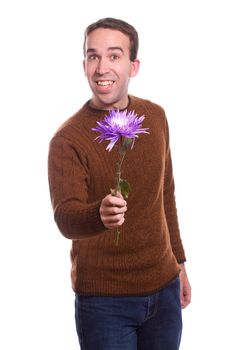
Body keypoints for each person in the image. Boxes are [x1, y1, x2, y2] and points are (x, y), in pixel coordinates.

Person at [48, 17, 191, 350]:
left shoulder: (154, 117)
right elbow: (65, 217)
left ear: (133, 65)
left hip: (164, 290)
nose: (102, 68)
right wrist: (99, 214)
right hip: (104, 302)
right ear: (84, 65)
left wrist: (179, 262)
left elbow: (165, 193)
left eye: (114, 56)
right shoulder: (68, 139)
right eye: (93, 56)